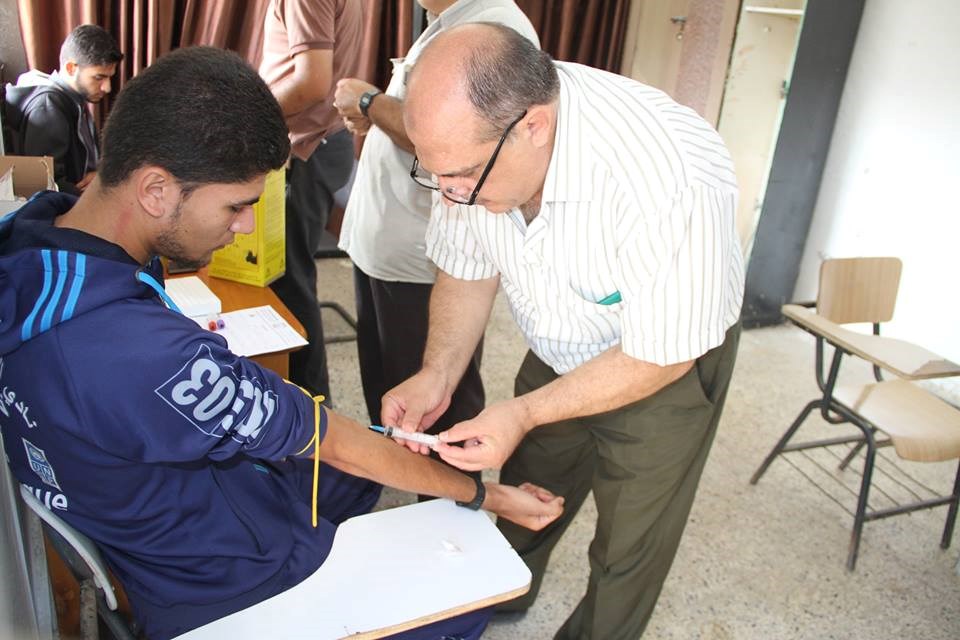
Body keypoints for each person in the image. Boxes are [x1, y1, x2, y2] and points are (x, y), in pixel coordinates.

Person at [0, 46, 563, 640]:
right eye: (237, 204)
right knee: (464, 594)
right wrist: (484, 494)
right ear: (156, 189)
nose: (245, 224)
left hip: (168, 508)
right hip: (225, 576)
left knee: (365, 460)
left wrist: (366, 445)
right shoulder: (138, 353)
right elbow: (327, 440)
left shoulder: (41, 237)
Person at [388, 23, 745, 639]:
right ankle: (501, 594)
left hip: (665, 359)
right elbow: (467, 267)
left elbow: (662, 353)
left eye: (463, 175)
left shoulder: (670, 174)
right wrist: (437, 374)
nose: (448, 196)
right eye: (434, 173)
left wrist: (524, 411)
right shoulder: (469, 155)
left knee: (629, 543)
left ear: (535, 126)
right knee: (533, 484)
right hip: (559, 340)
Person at [332, 0, 538, 441]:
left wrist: (370, 103)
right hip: (387, 244)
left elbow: (451, 138)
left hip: (425, 258)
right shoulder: (445, 20)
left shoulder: (493, 26)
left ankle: (445, 485)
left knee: (436, 411)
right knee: (391, 393)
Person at [259, 0, 363, 402]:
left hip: (305, 148)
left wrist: (246, 116)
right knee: (292, 279)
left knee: (291, 285)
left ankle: (312, 407)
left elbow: (312, 83)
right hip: (315, 144)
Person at [4, 24, 122, 194]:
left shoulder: (76, 100)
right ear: (71, 68)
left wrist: (101, 176)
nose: (107, 87)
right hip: (70, 205)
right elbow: (46, 185)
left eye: (109, 78)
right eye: (99, 77)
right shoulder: (48, 108)